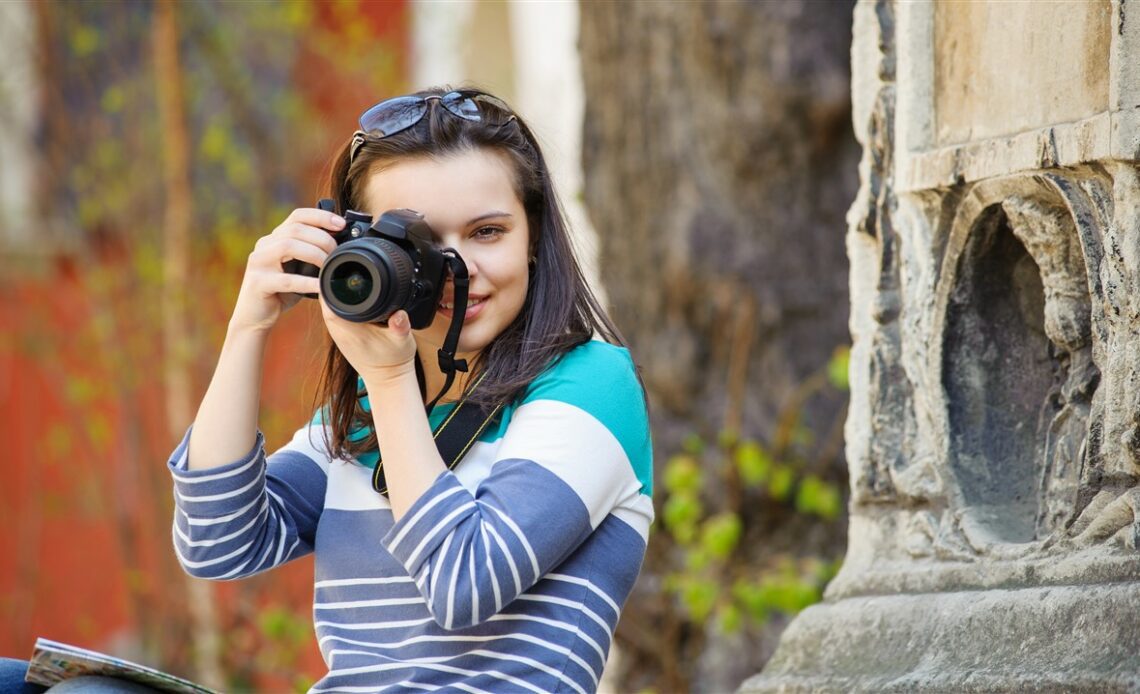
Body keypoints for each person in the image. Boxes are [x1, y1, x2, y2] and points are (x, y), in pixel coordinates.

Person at [169, 87, 653, 693]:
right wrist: (248, 325)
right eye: (420, 244)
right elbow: (218, 544)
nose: (458, 268)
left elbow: (465, 582)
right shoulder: (363, 419)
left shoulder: (590, 383)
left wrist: (390, 378)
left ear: (533, 239)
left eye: (487, 232)